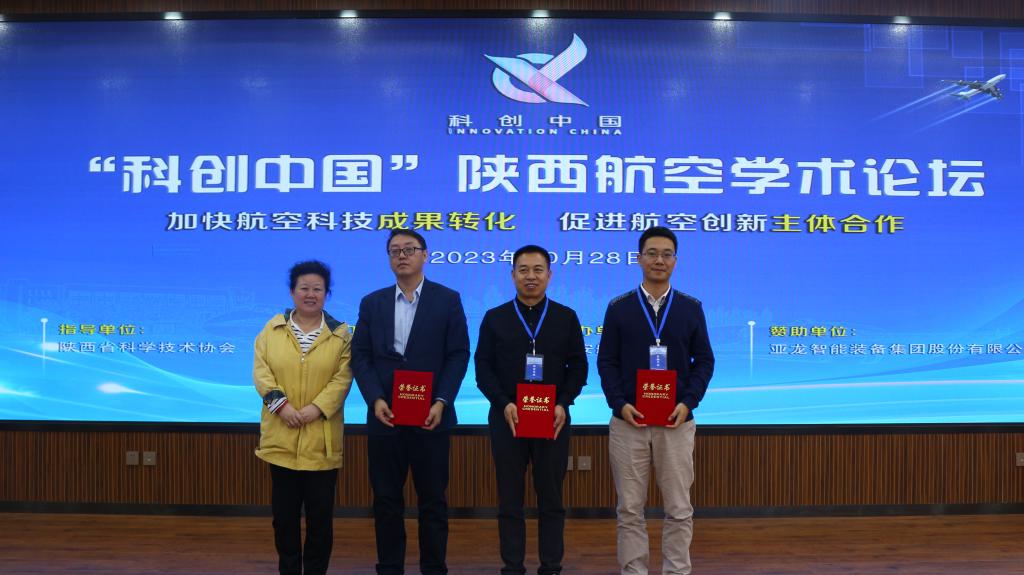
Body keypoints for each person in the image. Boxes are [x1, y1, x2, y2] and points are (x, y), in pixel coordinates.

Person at [597, 226, 715, 575]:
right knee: (629, 509)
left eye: (666, 254)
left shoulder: (691, 308)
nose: (659, 260)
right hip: (628, 423)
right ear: (639, 259)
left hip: (675, 423)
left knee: (678, 507)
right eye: (652, 253)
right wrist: (620, 404)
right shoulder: (618, 308)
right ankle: (633, 570)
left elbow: (704, 361)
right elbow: (607, 362)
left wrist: (688, 402)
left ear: (675, 261)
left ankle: (676, 571)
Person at [351, 229, 470, 575]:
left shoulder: (447, 299)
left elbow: (458, 354)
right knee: (386, 500)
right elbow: (360, 355)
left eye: (409, 249)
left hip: (431, 417)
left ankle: (433, 567)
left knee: (432, 500)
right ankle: (390, 567)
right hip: (385, 417)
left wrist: (442, 401)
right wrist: (375, 398)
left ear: (425, 254)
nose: (401, 256)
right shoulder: (372, 303)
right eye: (394, 250)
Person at [475, 245, 588, 575]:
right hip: (508, 418)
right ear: (512, 275)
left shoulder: (566, 317)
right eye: (523, 270)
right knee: (510, 498)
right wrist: (503, 403)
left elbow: (578, 367)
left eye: (538, 270)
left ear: (549, 275)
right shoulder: (495, 318)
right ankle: (512, 566)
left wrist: (563, 403)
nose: (531, 276)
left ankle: (551, 566)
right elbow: (483, 368)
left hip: (552, 419)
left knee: (551, 497)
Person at [253, 260, 353, 575]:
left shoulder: (341, 334)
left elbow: (342, 379)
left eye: (317, 289)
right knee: (284, 520)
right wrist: (281, 406)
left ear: (327, 293)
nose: (310, 294)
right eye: (304, 288)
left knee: (320, 521)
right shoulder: (272, 330)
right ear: (292, 292)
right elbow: (262, 374)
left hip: (321, 442)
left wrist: (316, 409)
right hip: (281, 438)